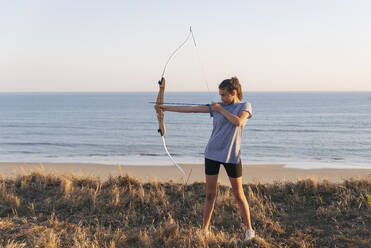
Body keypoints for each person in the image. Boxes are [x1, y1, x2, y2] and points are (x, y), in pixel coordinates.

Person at [155, 76, 255, 241]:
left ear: (234, 92)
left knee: (238, 195)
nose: (221, 98)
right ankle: (204, 230)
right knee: (210, 195)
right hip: (212, 154)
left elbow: (239, 122)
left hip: (232, 156)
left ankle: (249, 231)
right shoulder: (217, 107)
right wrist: (164, 108)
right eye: (220, 95)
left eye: (224, 95)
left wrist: (221, 109)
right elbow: (192, 109)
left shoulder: (244, 106)